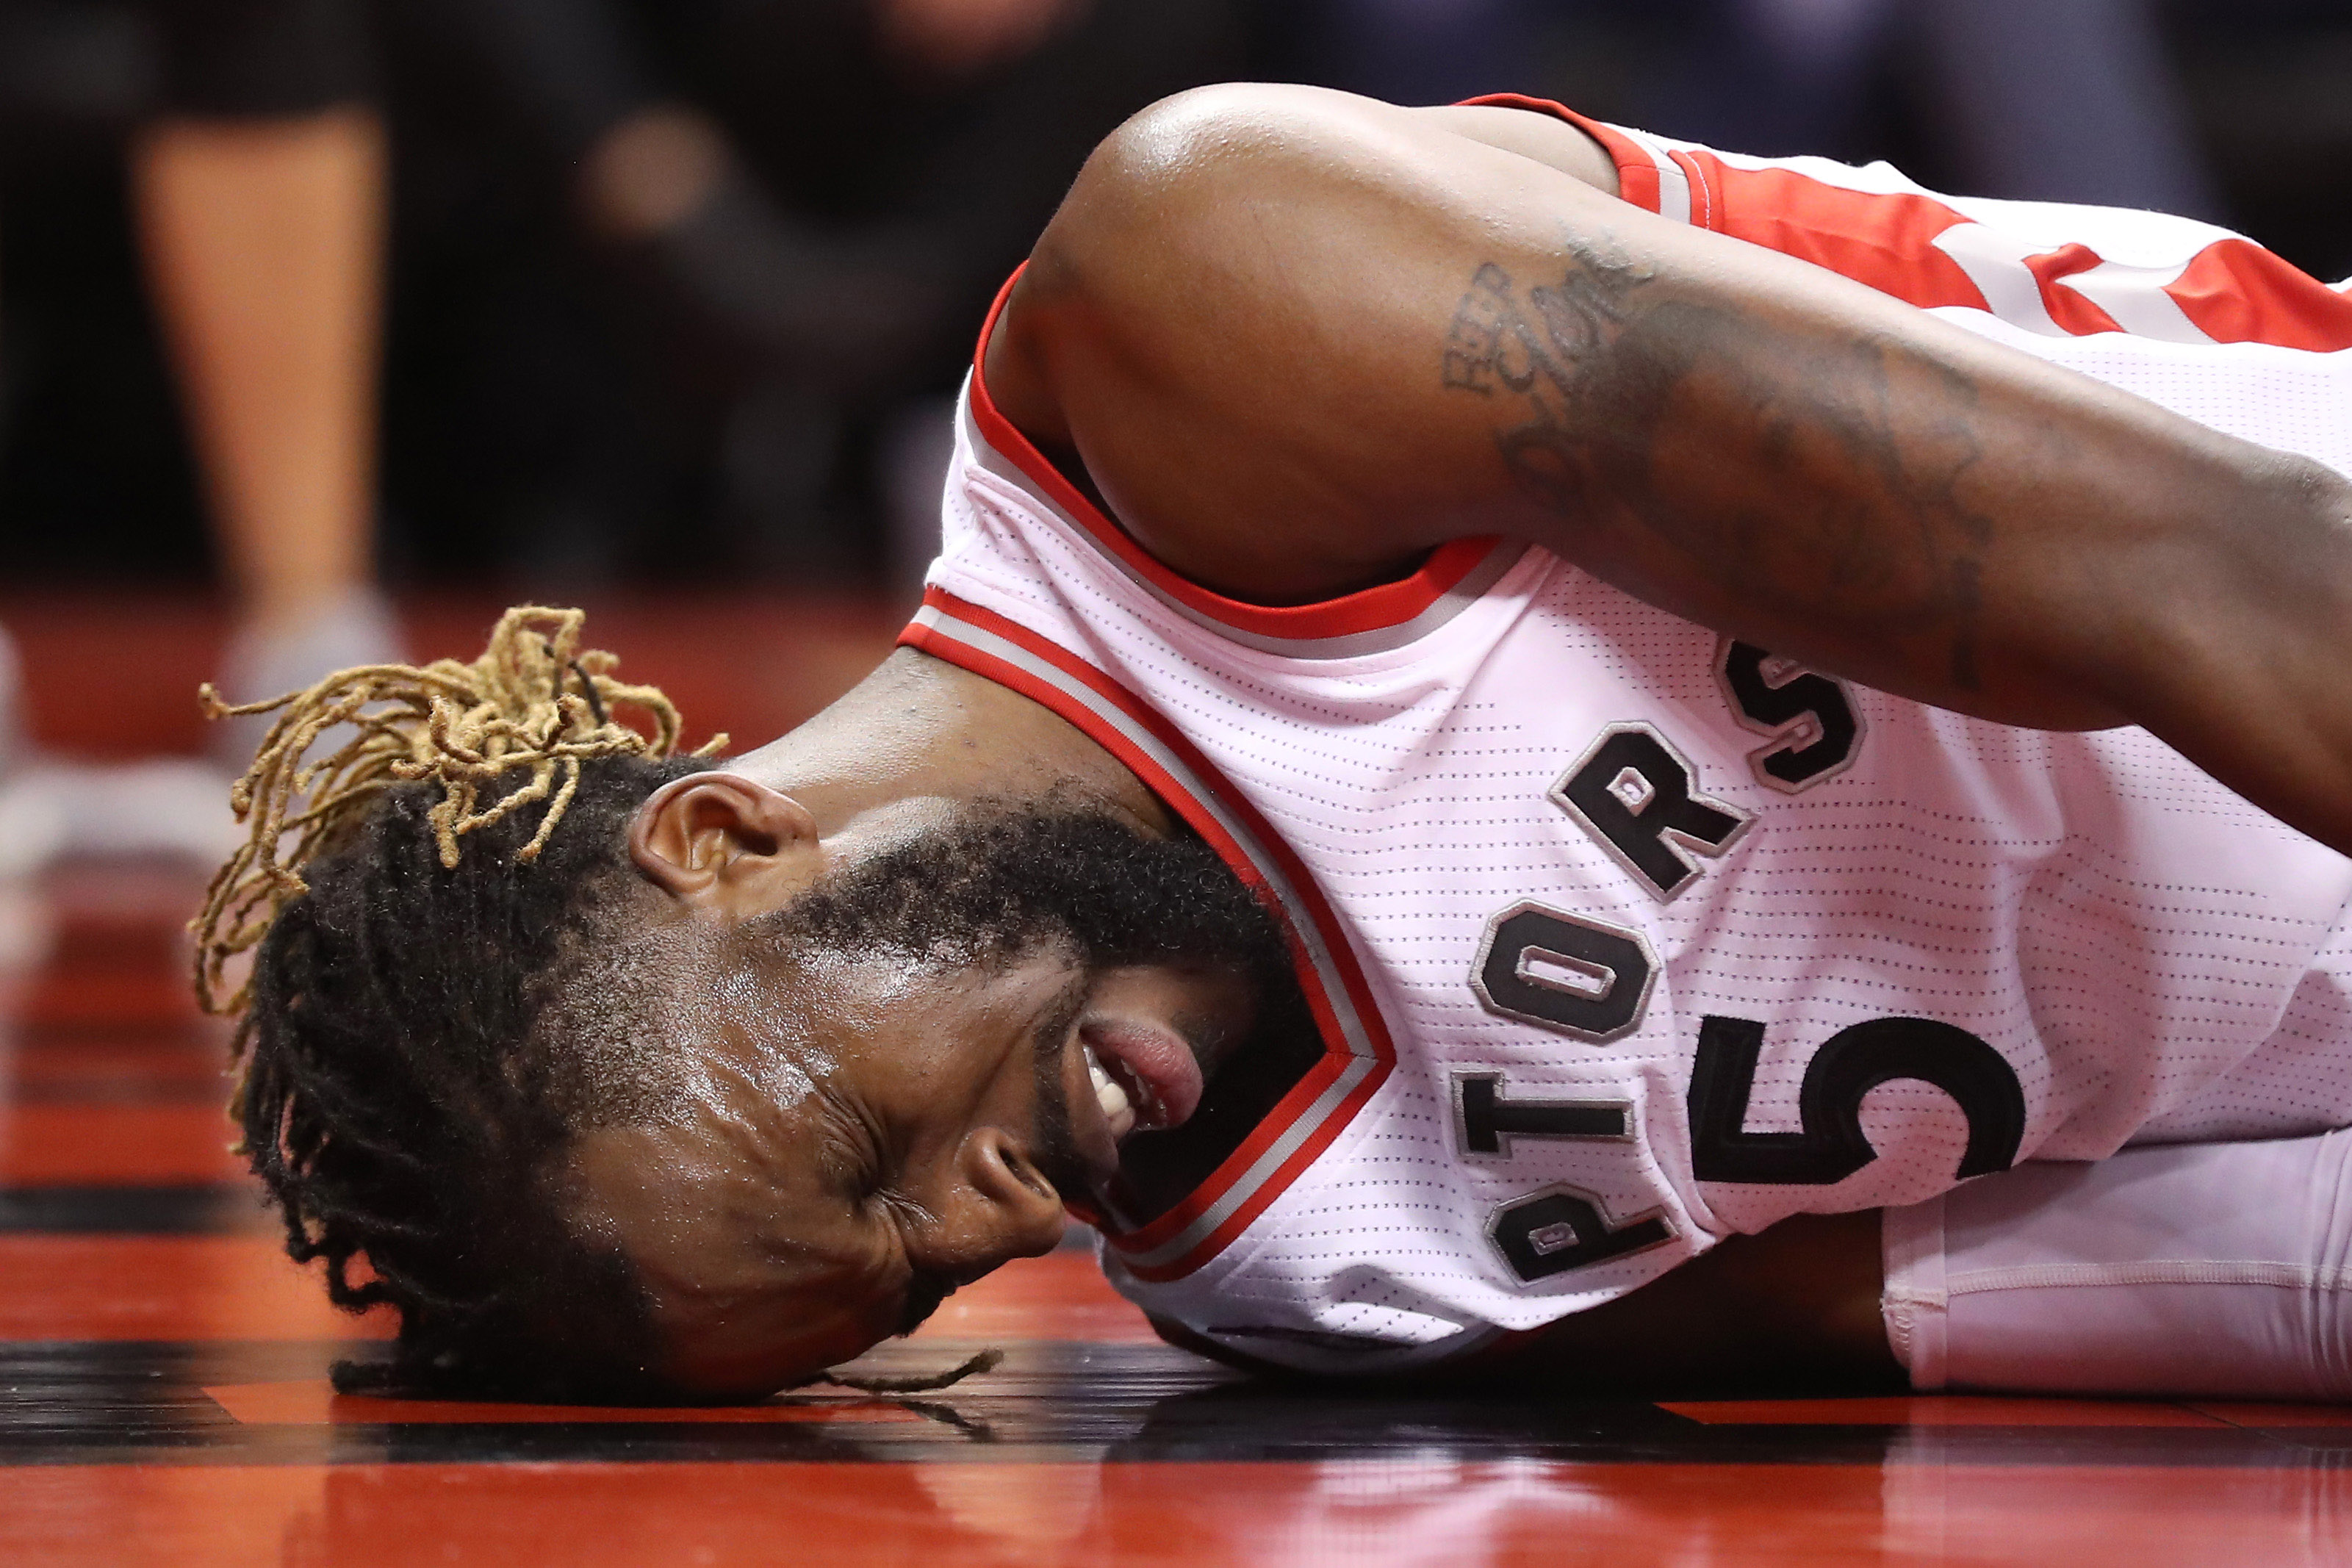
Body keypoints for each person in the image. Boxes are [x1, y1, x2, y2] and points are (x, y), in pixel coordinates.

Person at [197, 83, 2352, 1404]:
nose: (998, 1224)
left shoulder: (1201, 330)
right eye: (910, 1286)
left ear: (727, 836)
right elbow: (2224, 1274)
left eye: (863, 1153)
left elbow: (2227, 564)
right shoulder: (1300, 1276)